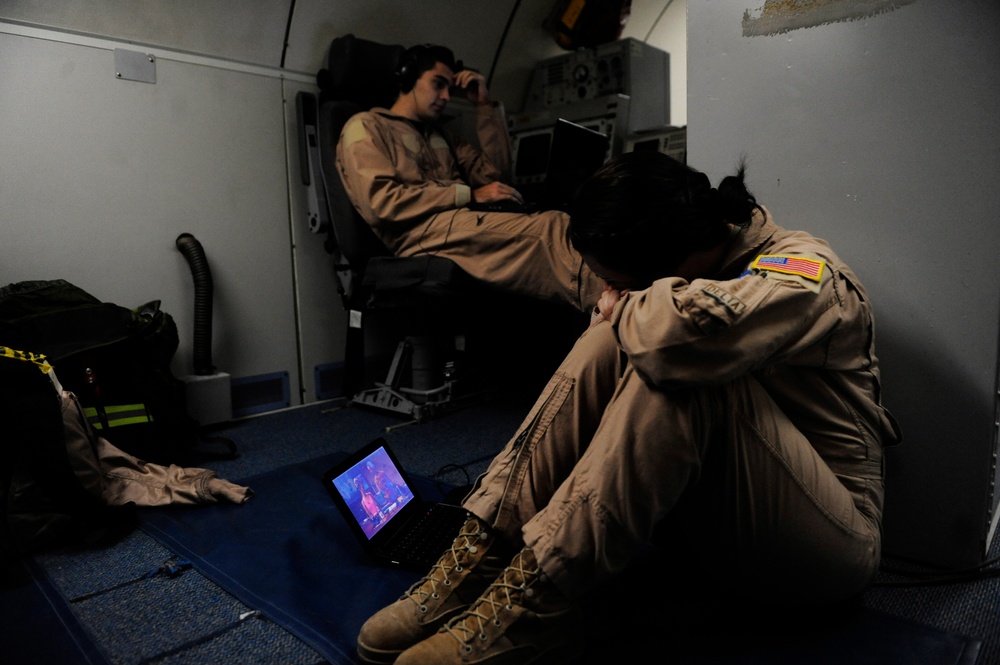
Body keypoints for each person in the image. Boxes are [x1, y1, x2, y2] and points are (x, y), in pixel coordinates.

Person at [351, 150, 902, 665]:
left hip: (829, 550)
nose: (607, 290)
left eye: (617, 281)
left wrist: (628, 309)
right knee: (607, 340)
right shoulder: (684, 266)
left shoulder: (806, 272)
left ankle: (544, 600)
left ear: (672, 263)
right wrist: (624, 308)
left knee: (678, 367)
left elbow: (675, 341)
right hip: (716, 536)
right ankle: (486, 550)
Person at [335, 43, 604, 314]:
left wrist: (484, 106)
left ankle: (619, 294)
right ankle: (621, 306)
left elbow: (496, 175)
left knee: (564, 219)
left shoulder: (440, 136)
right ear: (407, 78)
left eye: (450, 89)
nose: (445, 96)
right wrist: (468, 195)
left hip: (454, 223)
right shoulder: (366, 126)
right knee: (549, 230)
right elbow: (380, 203)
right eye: (438, 84)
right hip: (418, 233)